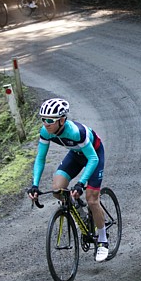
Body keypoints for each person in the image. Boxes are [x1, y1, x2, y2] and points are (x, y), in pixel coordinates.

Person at [26, 98, 109, 262]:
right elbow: (40, 159)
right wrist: (35, 185)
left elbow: (92, 159)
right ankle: (79, 211)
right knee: (58, 190)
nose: (46, 124)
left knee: (92, 200)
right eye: (43, 119)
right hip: (76, 155)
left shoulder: (75, 132)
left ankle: (103, 241)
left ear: (62, 120)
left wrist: (80, 183)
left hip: (94, 155)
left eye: (50, 120)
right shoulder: (45, 132)